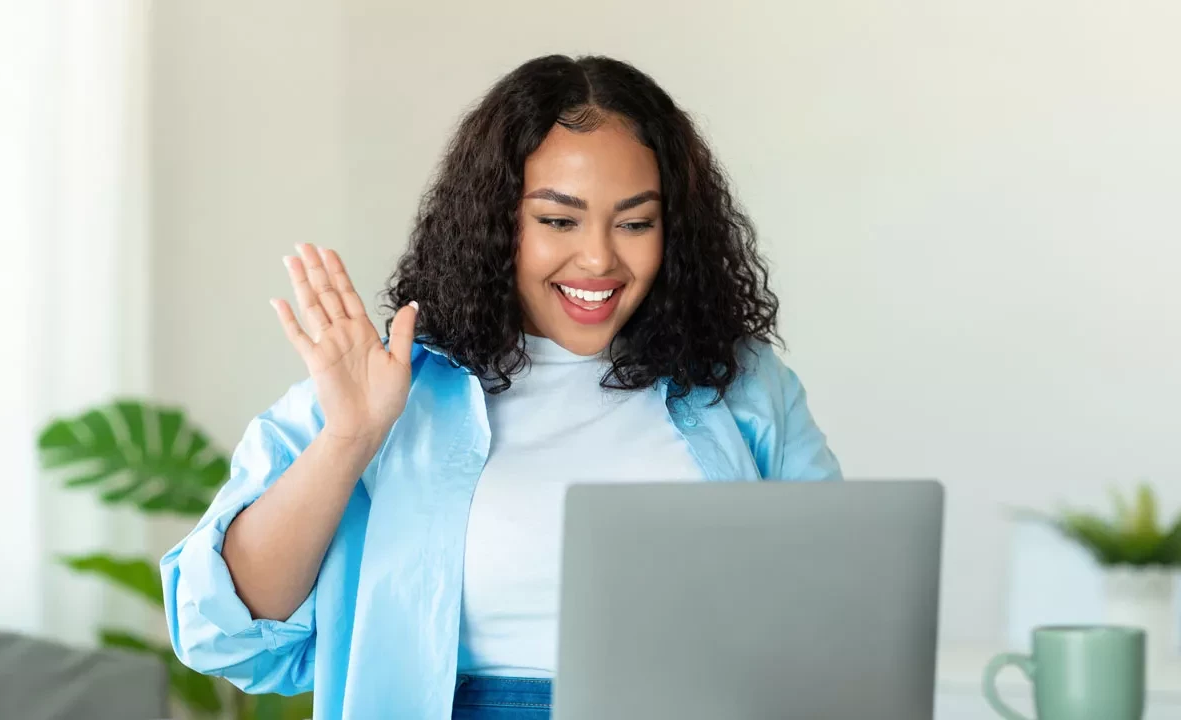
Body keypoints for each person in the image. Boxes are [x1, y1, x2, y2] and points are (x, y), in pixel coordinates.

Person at [161, 54, 842, 720]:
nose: (600, 257)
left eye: (636, 222)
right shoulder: (384, 385)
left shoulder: (742, 385)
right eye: (557, 220)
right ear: (495, 224)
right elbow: (221, 634)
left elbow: (840, 607)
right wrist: (348, 439)